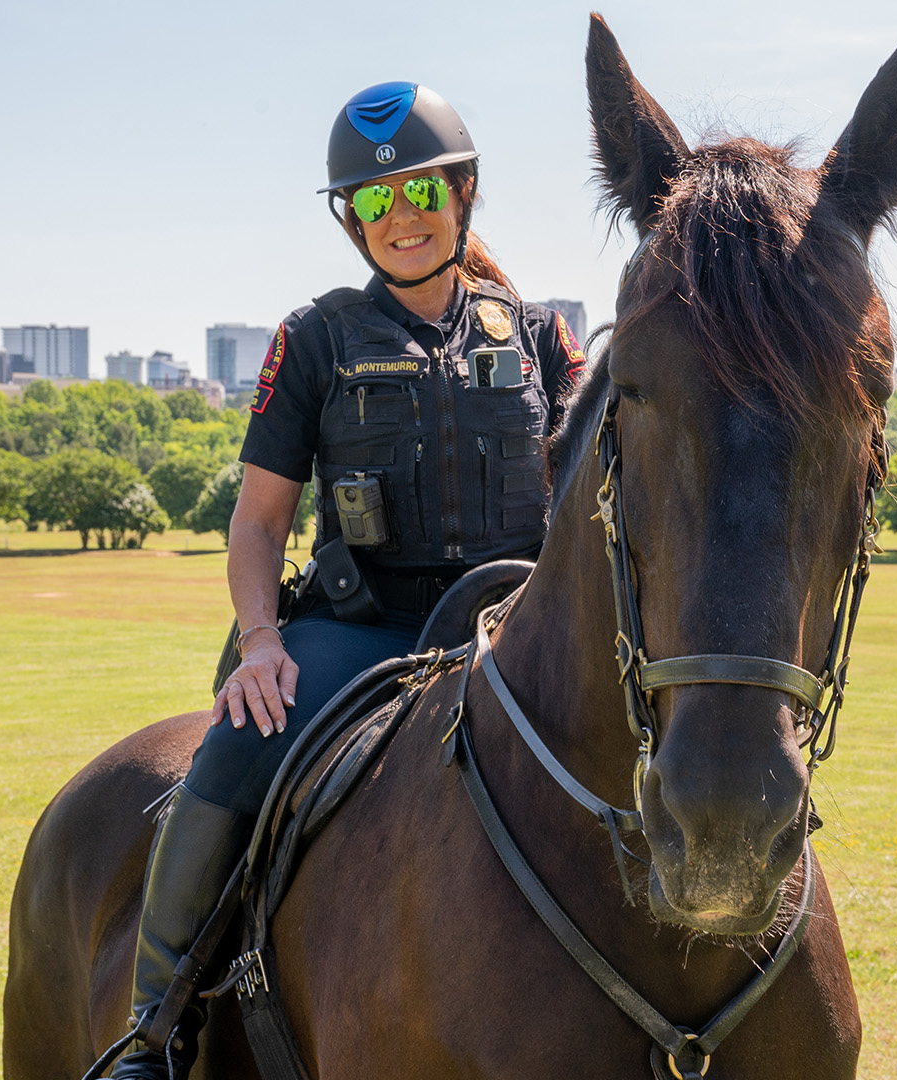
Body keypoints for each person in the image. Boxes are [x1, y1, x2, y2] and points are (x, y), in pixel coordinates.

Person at [109, 81, 586, 1078]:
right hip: (363, 630)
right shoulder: (315, 338)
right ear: (349, 219)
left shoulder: (539, 336)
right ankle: (152, 1031)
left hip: (512, 626)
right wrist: (260, 642)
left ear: (463, 195)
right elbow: (258, 522)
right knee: (237, 746)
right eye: (372, 203)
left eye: (418, 193)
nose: (398, 218)